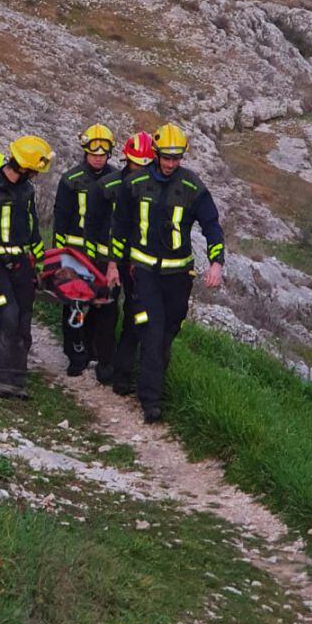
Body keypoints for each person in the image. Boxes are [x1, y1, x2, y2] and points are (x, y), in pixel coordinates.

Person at [107, 123, 224, 424]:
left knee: (167, 334)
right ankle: (151, 401)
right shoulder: (135, 184)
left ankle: (149, 380)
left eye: (177, 158)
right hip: (143, 273)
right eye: (166, 157)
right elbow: (120, 227)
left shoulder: (192, 187)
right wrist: (113, 265)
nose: (171, 164)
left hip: (178, 277)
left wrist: (216, 262)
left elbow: (211, 225)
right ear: (156, 154)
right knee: (151, 330)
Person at [0, 136, 53, 400]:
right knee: (7, 315)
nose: (37, 175)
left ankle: (18, 379)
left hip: (20, 264)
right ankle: (3, 379)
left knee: (24, 319)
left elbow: (32, 229)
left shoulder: (26, 190)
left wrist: (40, 264)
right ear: (25, 166)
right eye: (35, 170)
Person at [53, 123, 123, 381]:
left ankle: (103, 357)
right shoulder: (71, 180)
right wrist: (60, 256)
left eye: (103, 153)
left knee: (106, 307)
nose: (98, 157)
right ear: (85, 151)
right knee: (75, 304)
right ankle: (76, 355)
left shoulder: (118, 180)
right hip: (76, 253)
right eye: (93, 152)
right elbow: (60, 218)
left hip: (106, 256)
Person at [110, 130, 155, 398]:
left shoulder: (153, 188)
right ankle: (102, 360)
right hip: (115, 258)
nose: (141, 169)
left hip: (140, 263)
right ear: (127, 160)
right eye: (137, 163)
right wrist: (110, 262)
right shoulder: (114, 186)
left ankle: (123, 374)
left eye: (145, 164)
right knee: (105, 310)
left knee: (134, 316)